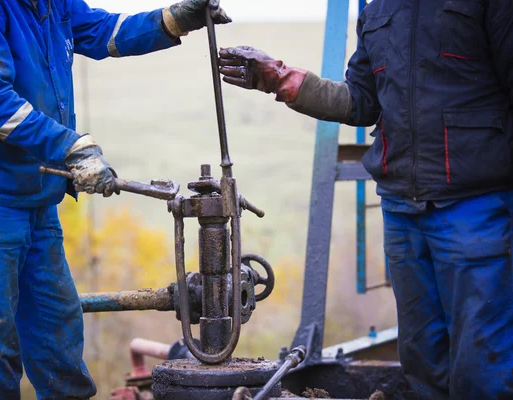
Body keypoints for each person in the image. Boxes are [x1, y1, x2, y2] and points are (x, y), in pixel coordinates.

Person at [0, 0, 229, 398]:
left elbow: (102, 31)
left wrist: (172, 20)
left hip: (36, 195)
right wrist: (72, 148)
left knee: (57, 333)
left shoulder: (52, 3)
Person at [218, 1, 513, 399]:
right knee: (422, 359)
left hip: (475, 205)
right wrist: (281, 79)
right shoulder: (379, 10)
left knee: (483, 362)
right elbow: (361, 100)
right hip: (401, 209)